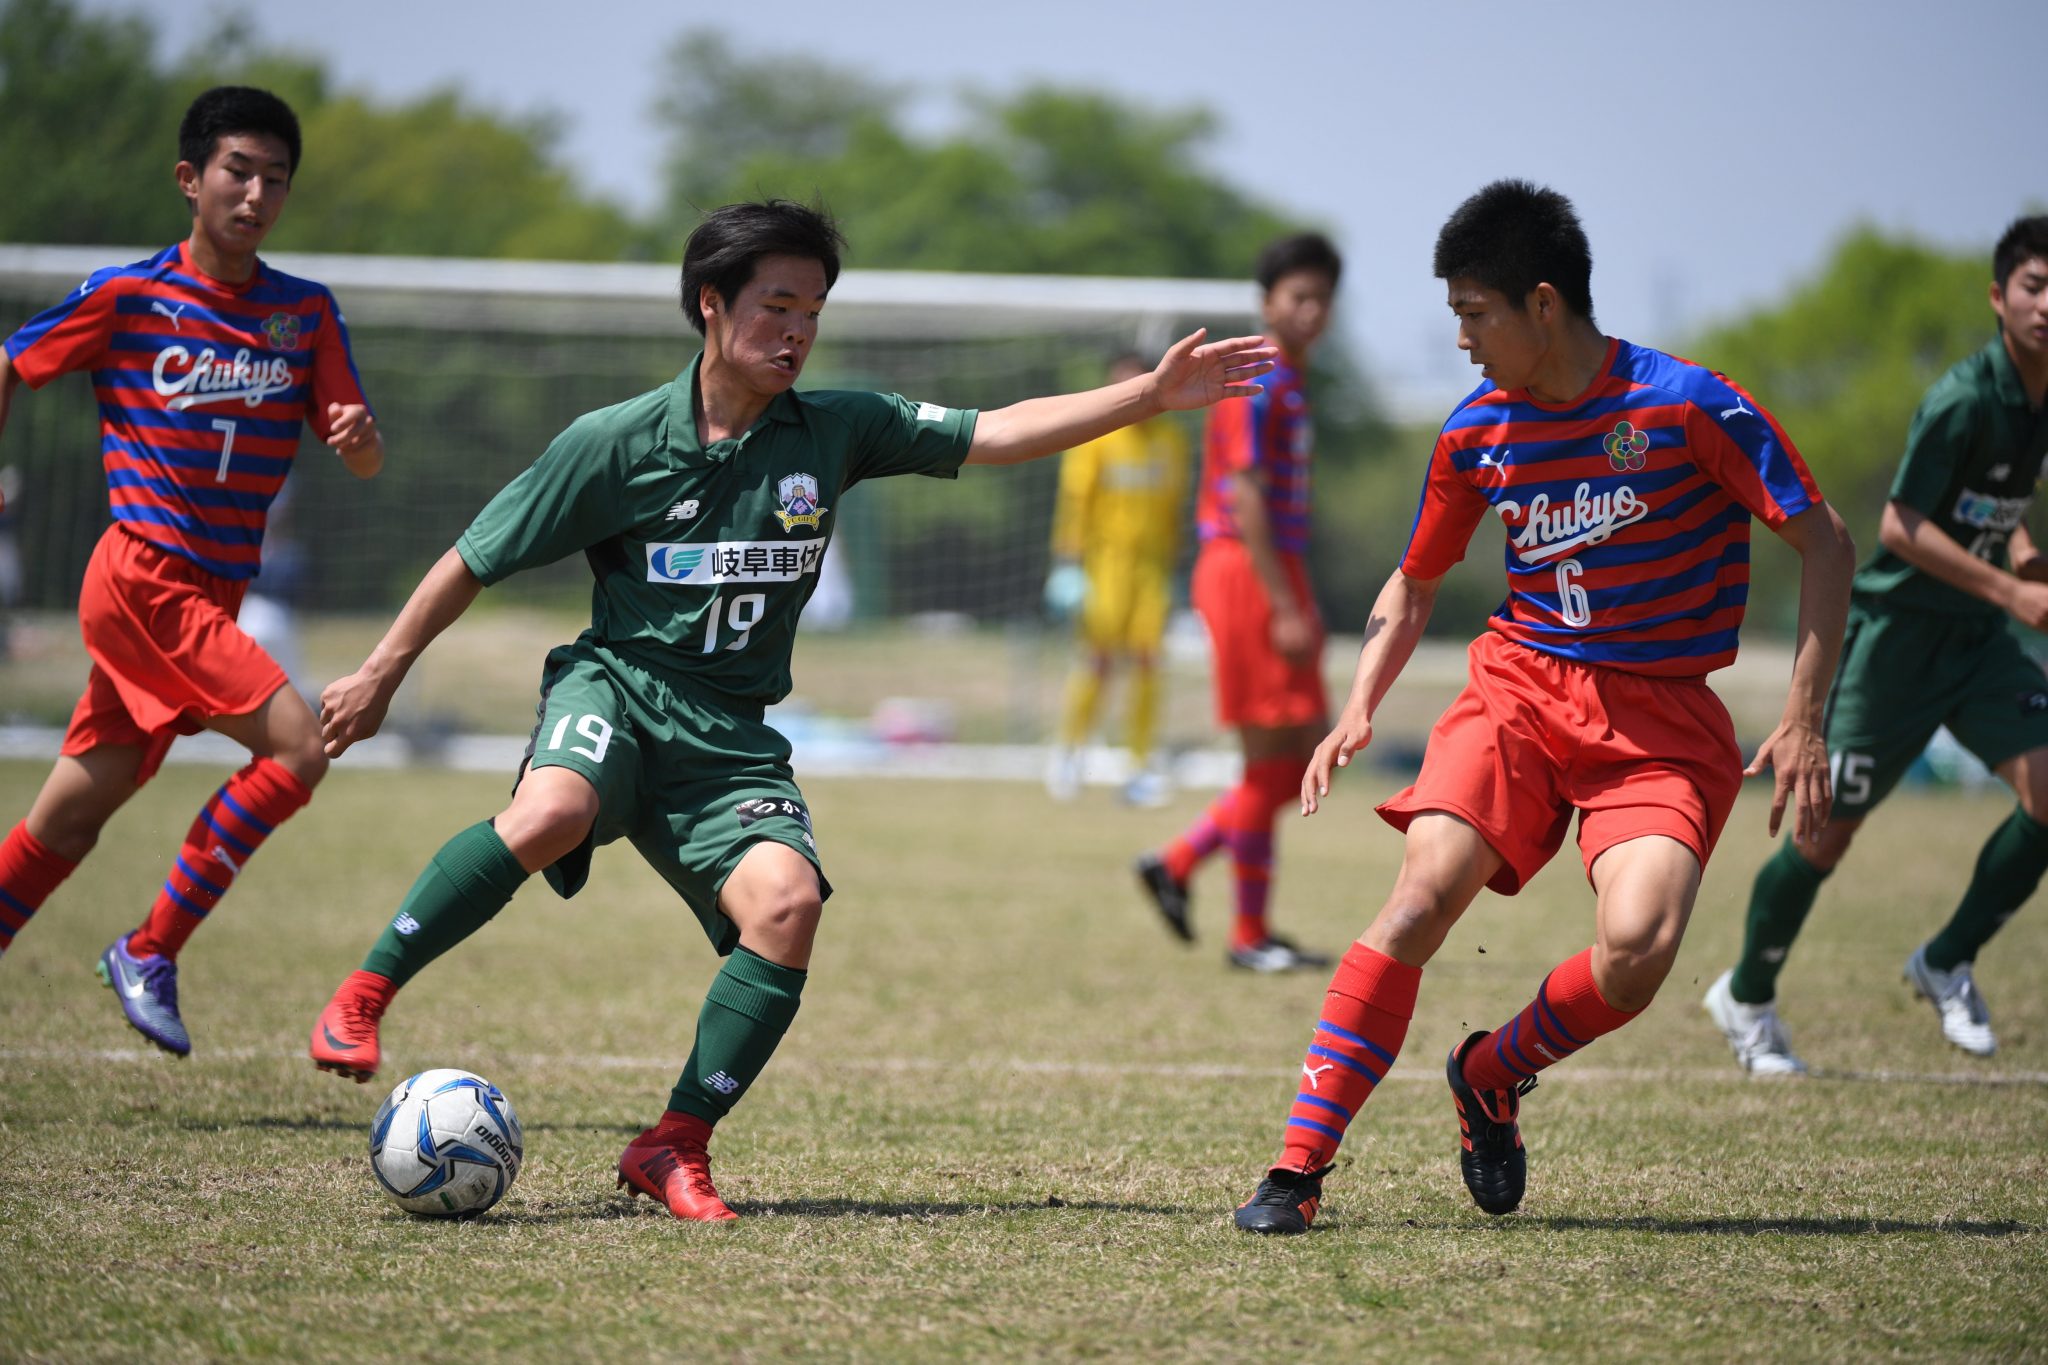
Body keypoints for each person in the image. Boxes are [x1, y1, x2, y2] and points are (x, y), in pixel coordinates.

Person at [305, 199, 1274, 1223]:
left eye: (811, 309)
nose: (797, 330)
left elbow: (994, 433)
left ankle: (672, 1145)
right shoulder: (615, 443)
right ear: (710, 306)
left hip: (731, 740)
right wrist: (380, 673)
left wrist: (1147, 399)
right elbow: (473, 557)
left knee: (787, 906)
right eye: (775, 305)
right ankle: (366, 991)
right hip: (618, 690)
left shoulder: (836, 429)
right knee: (550, 815)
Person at [1231, 180, 1857, 1234]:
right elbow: (1416, 579)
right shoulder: (1474, 431)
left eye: (1472, 316)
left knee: (1640, 944)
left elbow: (1825, 541)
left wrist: (1800, 715)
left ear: (1540, 305)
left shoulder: (1687, 406)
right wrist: (1356, 708)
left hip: (1656, 719)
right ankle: (1292, 1172)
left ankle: (1488, 1074)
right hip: (1518, 693)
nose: (1462, 342)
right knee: (1420, 899)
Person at [0, 86, 383, 1056]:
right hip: (142, 578)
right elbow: (9, 363)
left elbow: (365, 455)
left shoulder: (303, 315)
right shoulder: (132, 297)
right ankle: (149, 948)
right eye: (236, 171)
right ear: (191, 180)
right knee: (297, 748)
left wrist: (358, 437)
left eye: (275, 179)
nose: (255, 194)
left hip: (210, 592)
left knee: (73, 813)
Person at [1704, 214, 2048, 1072]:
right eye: (2036, 287)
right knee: (1826, 833)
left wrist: (2022, 549)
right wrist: (2013, 588)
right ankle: (1745, 994)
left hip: (1975, 643)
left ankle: (1946, 957)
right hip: (1895, 641)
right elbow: (1899, 524)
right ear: (1999, 297)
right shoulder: (1964, 398)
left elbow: (1996, 502)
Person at [1135, 233, 1341, 970]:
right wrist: (1284, 603)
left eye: (1323, 298)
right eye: (1299, 296)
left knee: (1313, 750)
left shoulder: (1289, 379)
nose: (1312, 311)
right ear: (1267, 302)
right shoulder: (1255, 378)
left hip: (1274, 568)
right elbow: (1245, 492)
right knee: (1271, 757)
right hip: (1250, 571)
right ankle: (1249, 935)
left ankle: (1181, 860)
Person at [1042, 352, 1191, 806]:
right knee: (1098, 660)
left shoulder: (1171, 439)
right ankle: (1069, 753)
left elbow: (1174, 512)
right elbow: (1075, 502)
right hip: (1104, 566)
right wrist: (1067, 564)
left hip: (1152, 569)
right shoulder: (1097, 437)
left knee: (1148, 662)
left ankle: (1140, 765)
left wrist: (1174, 571)